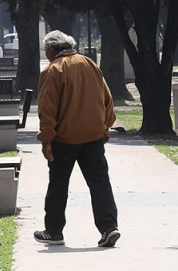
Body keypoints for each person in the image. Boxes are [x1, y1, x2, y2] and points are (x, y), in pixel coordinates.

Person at [33, 30, 120, 248]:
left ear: (52, 51)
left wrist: (46, 139)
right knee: (100, 183)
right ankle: (109, 227)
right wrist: (106, 126)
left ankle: (53, 232)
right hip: (93, 136)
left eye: (46, 51)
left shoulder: (52, 70)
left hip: (64, 139)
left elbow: (47, 108)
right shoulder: (90, 64)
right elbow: (106, 98)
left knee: (58, 185)